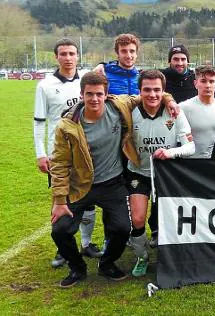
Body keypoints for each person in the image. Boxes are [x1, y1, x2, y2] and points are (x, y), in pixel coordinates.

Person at [49, 72, 140, 287]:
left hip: (113, 183)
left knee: (121, 229)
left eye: (99, 94)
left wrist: (169, 100)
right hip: (80, 185)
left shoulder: (119, 107)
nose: (94, 99)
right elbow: (59, 164)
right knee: (59, 230)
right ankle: (77, 267)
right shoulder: (67, 126)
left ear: (107, 94)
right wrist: (60, 201)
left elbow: (149, 93)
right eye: (89, 94)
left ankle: (107, 264)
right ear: (81, 95)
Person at [33, 38, 102, 268]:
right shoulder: (44, 85)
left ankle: (87, 242)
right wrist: (41, 153)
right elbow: (39, 122)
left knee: (87, 198)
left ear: (77, 56)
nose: (68, 57)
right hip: (59, 153)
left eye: (72, 53)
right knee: (61, 197)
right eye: (63, 54)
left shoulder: (85, 81)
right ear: (56, 57)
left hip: (84, 151)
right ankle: (62, 248)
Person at [126, 70, 195, 277]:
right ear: (139, 91)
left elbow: (191, 147)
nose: (152, 94)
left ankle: (170, 255)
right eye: (147, 90)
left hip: (166, 174)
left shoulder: (175, 112)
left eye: (157, 90)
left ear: (164, 91)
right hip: (138, 172)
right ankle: (142, 257)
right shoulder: (130, 112)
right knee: (138, 219)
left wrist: (170, 152)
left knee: (170, 219)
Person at [180, 65, 215, 159]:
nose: (208, 85)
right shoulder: (183, 107)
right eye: (203, 81)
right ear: (195, 83)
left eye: (212, 81)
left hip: (208, 164)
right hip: (185, 165)